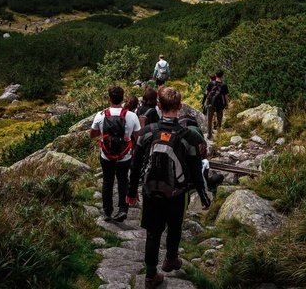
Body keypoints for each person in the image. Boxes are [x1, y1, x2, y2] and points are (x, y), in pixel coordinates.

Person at [126, 87, 210, 288]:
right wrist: (204, 198)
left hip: (150, 192)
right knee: (174, 227)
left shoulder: (148, 132)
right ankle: (171, 258)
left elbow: (135, 164)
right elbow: (196, 172)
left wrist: (130, 192)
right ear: (180, 107)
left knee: (153, 233)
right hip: (177, 194)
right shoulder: (187, 136)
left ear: (159, 106)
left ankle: (150, 275)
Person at [90, 86, 141, 222]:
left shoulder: (101, 115)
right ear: (123, 99)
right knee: (123, 180)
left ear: (109, 99)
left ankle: (107, 211)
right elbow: (137, 136)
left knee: (107, 181)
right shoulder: (131, 116)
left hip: (106, 155)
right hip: (125, 156)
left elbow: (92, 134)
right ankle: (123, 209)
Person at [206, 70, 229, 139]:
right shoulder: (224, 85)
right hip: (220, 105)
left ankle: (209, 133)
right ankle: (219, 132)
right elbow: (226, 96)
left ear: (215, 75)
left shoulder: (210, 83)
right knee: (219, 119)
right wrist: (227, 105)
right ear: (222, 76)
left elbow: (207, 93)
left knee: (209, 119)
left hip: (210, 104)